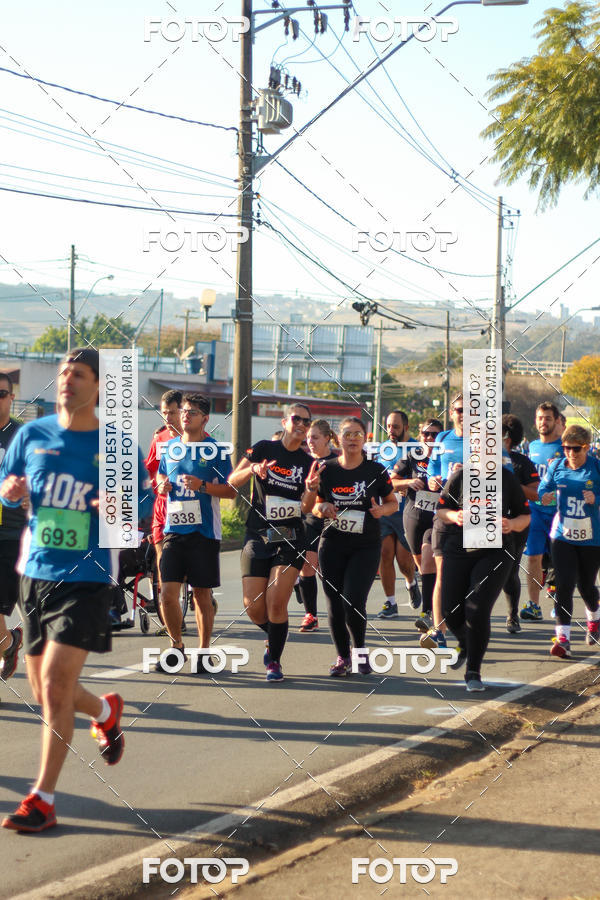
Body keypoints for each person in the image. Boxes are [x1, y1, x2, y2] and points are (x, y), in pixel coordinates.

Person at [0, 348, 152, 832]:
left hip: (88, 577)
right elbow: (7, 481)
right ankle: (105, 710)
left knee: (55, 684)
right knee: (46, 691)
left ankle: (42, 799)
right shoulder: (33, 434)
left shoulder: (117, 446)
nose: (67, 378)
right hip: (36, 572)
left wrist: (114, 507)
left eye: (79, 373)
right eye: (63, 371)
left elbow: (141, 509)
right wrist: (11, 490)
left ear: (99, 386)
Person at [228, 404, 318, 682]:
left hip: (290, 536)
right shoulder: (264, 448)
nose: (301, 424)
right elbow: (232, 481)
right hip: (258, 533)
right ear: (285, 421)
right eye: (297, 419)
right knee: (253, 606)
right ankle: (276, 633)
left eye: (307, 421)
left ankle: (274, 661)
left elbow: (306, 507)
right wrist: (253, 469)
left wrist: (311, 490)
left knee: (277, 602)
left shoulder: (308, 463)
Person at [309, 417, 398, 676]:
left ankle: (359, 652)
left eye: (358, 434)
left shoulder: (375, 470)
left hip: (365, 545)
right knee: (334, 602)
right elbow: (315, 506)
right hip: (332, 543)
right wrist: (323, 507)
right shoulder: (326, 469)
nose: (352, 439)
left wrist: (382, 510)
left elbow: (393, 503)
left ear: (365, 438)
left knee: (353, 599)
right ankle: (342, 657)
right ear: (338, 439)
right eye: (347, 434)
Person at [155, 393, 235, 674]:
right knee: (167, 594)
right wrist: (161, 484)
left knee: (202, 594)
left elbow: (230, 490)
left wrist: (202, 486)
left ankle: (203, 651)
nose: (185, 415)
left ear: (205, 419)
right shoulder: (170, 447)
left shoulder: (216, 451)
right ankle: (176, 646)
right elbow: (160, 474)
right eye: (184, 411)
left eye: (192, 412)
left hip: (204, 532)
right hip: (173, 530)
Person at [437, 466, 530, 691]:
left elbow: (525, 516)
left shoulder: (506, 477)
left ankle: (473, 671)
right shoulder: (460, 476)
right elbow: (441, 510)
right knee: (450, 611)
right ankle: (465, 641)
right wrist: (455, 515)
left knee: (476, 608)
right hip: (459, 547)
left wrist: (511, 524)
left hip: (495, 550)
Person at [538, 425, 600, 658]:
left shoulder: (595, 467)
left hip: (591, 538)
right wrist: (544, 495)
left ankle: (594, 619)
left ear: (586, 447)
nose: (570, 453)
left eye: (576, 449)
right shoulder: (557, 466)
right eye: (566, 448)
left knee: (586, 586)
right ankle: (563, 639)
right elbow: (543, 488)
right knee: (564, 585)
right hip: (562, 535)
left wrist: (596, 498)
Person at [420, 395, 465, 649]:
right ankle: (439, 630)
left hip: (476, 515)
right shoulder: (442, 439)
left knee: (471, 578)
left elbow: (500, 474)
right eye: (459, 410)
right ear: (451, 413)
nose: (464, 415)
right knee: (443, 572)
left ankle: (467, 627)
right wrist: (434, 479)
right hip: (446, 513)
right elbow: (432, 470)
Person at [392, 418, 443, 633]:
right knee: (422, 566)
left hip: (437, 517)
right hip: (413, 514)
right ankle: (430, 595)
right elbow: (392, 481)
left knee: (429, 558)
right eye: (425, 434)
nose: (429, 438)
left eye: (434, 434)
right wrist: (408, 482)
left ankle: (427, 612)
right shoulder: (412, 456)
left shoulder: (447, 456)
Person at [375, 410, 421, 618]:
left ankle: (411, 582)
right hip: (385, 509)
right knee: (385, 555)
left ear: (406, 427)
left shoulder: (417, 449)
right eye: (388, 426)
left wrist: (404, 484)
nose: (391, 430)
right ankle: (390, 602)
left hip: (406, 511)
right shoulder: (382, 449)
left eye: (395, 426)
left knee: (403, 561)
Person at [521, 403, 564, 622]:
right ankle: (534, 605)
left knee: (561, 560)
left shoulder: (565, 447)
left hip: (560, 513)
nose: (543, 422)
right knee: (534, 556)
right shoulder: (531, 447)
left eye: (547, 418)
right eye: (539, 418)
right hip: (536, 511)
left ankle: (560, 603)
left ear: (557, 421)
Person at [144, 390, 182, 636]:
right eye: (164, 412)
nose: (168, 417)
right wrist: (156, 484)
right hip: (162, 510)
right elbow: (150, 471)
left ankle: (201, 594)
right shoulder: (159, 438)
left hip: (190, 511)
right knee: (163, 564)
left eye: (172, 412)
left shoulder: (198, 438)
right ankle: (172, 617)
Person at [296, 419, 339, 633]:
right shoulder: (305, 462)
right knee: (307, 565)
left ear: (327, 438)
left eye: (314, 437)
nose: (310, 442)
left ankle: (339, 611)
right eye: (308, 438)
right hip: (311, 520)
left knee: (329, 570)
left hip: (335, 521)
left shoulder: (337, 462)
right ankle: (310, 615)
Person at [501, 415, 540, 633]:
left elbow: (536, 493)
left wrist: (513, 483)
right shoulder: (480, 459)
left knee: (509, 571)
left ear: (507, 436)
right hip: (485, 522)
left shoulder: (522, 462)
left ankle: (512, 615)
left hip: (515, 523)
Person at [0, 372, 26, 682]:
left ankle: (10, 643)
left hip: (11, 534)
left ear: (11, 397)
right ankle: (9, 643)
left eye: (1, 394)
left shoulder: (23, 436)